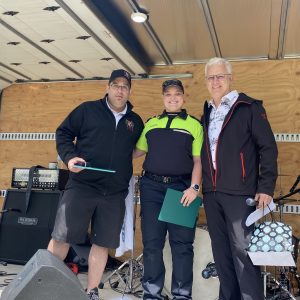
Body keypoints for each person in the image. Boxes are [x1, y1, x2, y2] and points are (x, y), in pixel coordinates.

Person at [47, 69, 144, 300]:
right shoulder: (87, 110)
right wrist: (70, 157)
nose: (120, 90)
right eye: (116, 85)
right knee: (62, 237)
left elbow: (137, 150)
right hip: (82, 186)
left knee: (102, 243)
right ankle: (45, 285)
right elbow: (63, 133)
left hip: (114, 193)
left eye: (125, 87)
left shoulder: (135, 121)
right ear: (107, 87)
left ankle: (92, 291)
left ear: (129, 91)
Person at [201, 57, 278, 300]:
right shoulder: (207, 111)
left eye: (220, 76)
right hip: (212, 193)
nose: (215, 81)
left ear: (230, 78)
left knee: (243, 254)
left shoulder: (249, 107)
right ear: (206, 81)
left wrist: (265, 187)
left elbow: (268, 148)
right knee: (222, 254)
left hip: (240, 193)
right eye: (211, 77)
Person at [134, 79, 203, 300]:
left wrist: (194, 188)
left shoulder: (194, 125)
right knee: (152, 244)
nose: (172, 98)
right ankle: (152, 294)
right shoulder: (151, 123)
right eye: (168, 95)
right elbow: (135, 152)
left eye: (177, 94)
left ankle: (182, 295)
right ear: (162, 98)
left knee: (181, 246)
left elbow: (198, 161)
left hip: (181, 189)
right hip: (151, 188)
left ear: (183, 97)